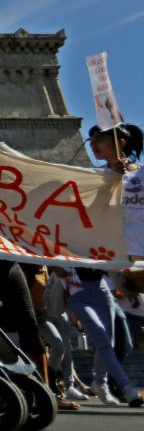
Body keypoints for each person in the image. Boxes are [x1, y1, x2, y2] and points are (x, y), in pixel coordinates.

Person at [65, 124, 144, 407]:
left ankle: (104, 382)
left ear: (120, 142)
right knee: (108, 336)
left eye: (100, 139)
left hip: (133, 263)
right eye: (91, 139)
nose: (93, 145)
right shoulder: (95, 179)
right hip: (109, 269)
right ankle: (119, 385)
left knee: (113, 335)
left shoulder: (140, 175)